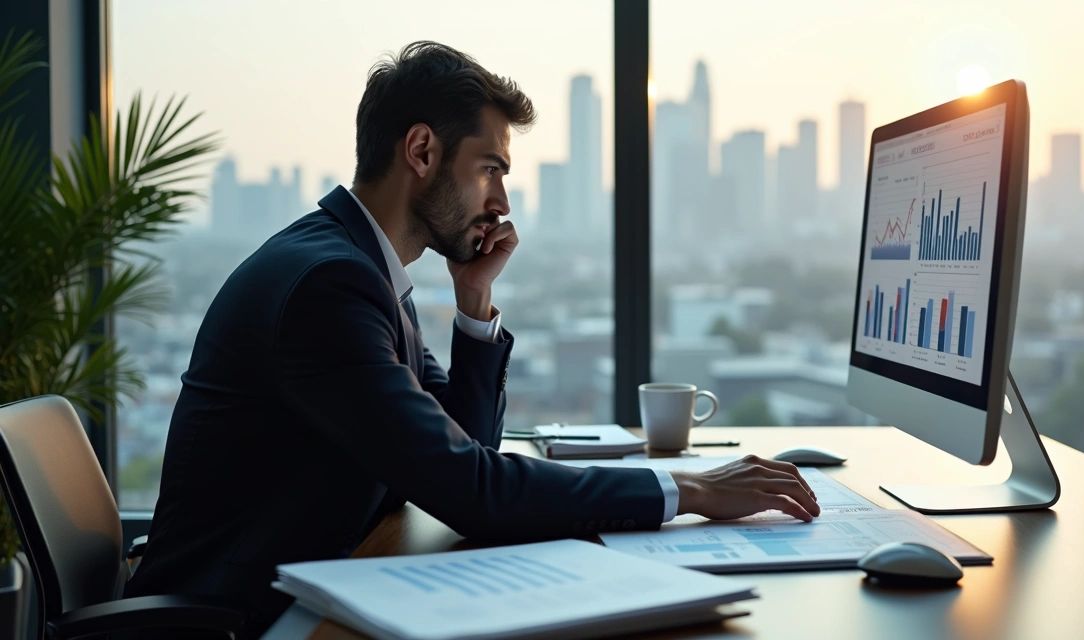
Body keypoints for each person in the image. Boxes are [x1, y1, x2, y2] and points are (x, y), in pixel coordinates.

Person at [123, 41, 819, 637]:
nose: (503, 203)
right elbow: (470, 487)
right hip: (240, 619)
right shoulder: (327, 286)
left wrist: (474, 300)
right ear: (422, 150)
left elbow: (464, 446)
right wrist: (688, 489)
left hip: (319, 582)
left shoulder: (362, 267)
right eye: (490, 168)